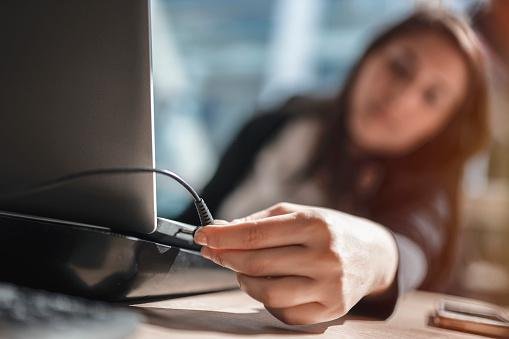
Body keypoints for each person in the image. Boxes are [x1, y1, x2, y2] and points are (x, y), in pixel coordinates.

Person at [176, 9, 489, 325]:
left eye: (432, 96)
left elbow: (412, 247)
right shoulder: (277, 124)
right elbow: (190, 220)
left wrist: (374, 257)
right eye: (399, 68)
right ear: (368, 56)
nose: (402, 98)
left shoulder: (429, 191)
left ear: (443, 126)